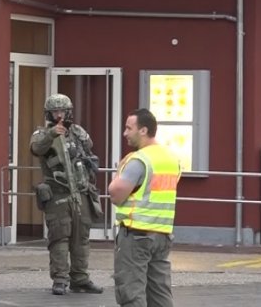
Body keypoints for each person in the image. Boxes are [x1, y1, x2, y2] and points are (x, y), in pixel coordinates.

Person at [29, 93, 105, 295]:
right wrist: (52, 134)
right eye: (55, 111)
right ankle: (60, 279)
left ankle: (80, 278)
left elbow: (89, 147)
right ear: (48, 114)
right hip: (57, 194)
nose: (59, 115)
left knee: (81, 239)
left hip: (81, 193)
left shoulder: (78, 132)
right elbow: (36, 148)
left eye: (62, 111)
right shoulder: (41, 134)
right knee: (60, 238)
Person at [108, 108, 181, 307]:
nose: (125, 133)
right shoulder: (171, 158)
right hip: (162, 235)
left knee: (131, 293)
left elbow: (115, 194)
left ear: (143, 130)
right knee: (160, 293)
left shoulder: (139, 160)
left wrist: (118, 171)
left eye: (128, 128)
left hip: (136, 235)